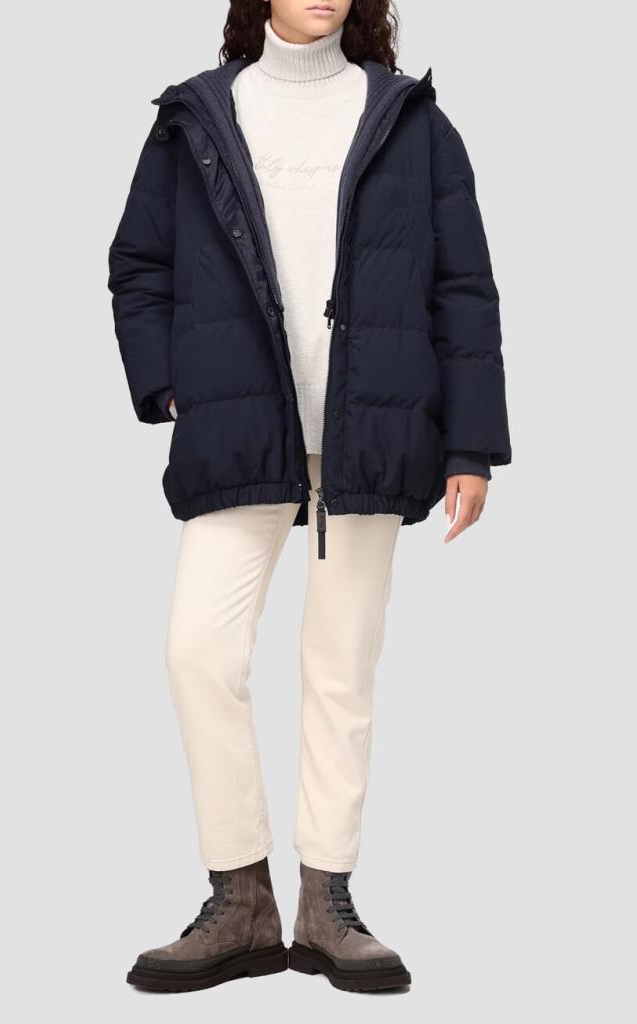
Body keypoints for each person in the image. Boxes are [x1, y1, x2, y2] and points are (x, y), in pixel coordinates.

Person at [108, 0, 511, 995]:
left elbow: (463, 286)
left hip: (372, 429)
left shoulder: (410, 119)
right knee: (198, 653)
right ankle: (240, 896)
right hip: (242, 422)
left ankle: (326, 903)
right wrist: (170, 385)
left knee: (341, 670)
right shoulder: (197, 115)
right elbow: (139, 265)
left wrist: (470, 445)